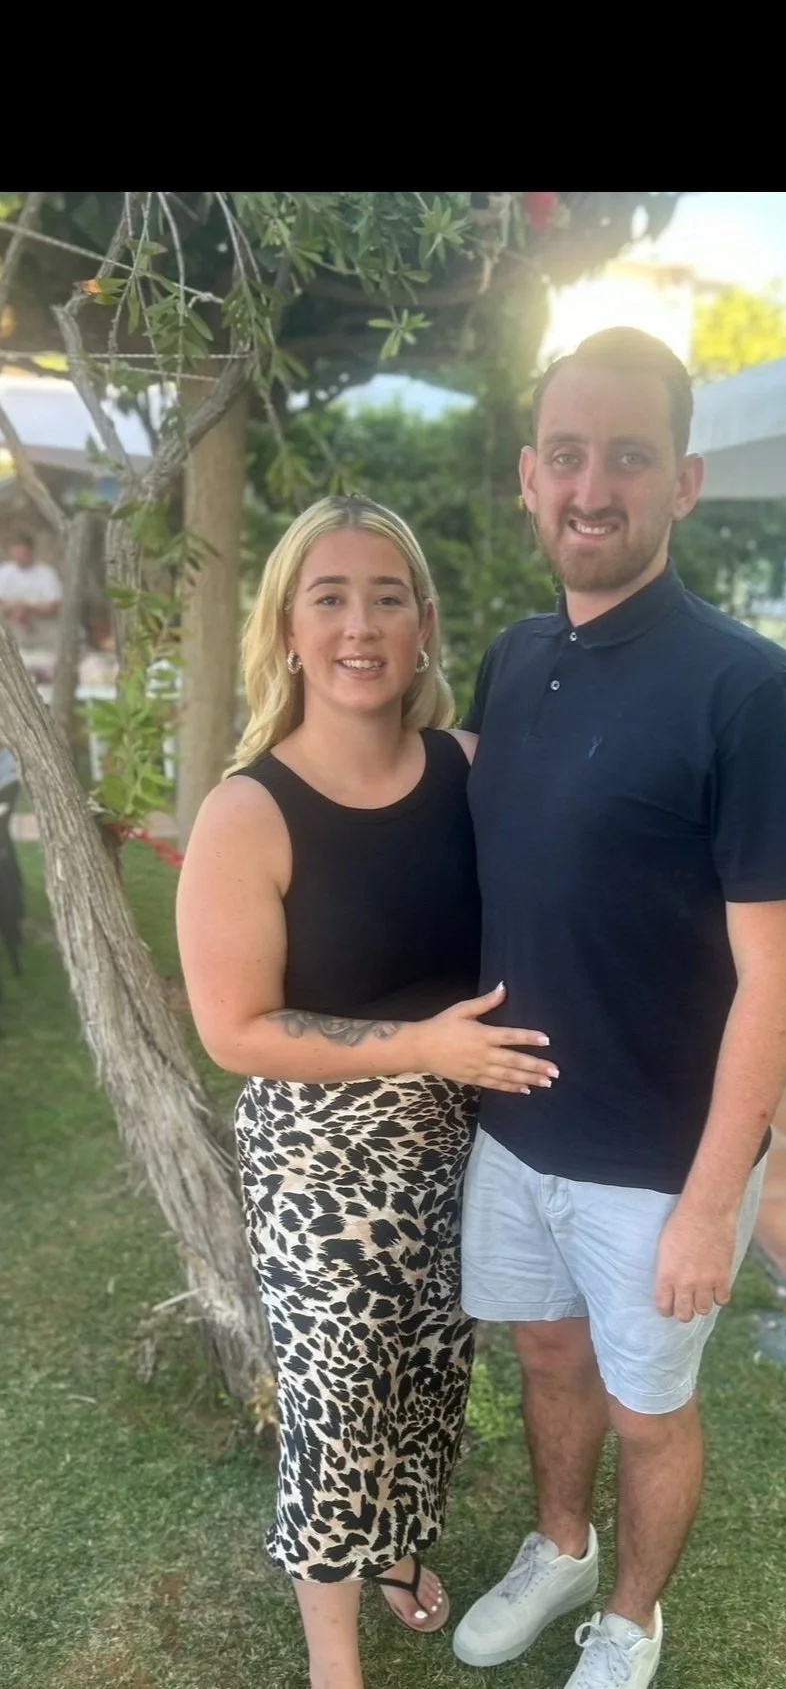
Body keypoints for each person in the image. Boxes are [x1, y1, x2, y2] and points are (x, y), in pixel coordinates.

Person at [452, 329, 786, 1689]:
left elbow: (778, 972)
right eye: (566, 454)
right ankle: (556, 1546)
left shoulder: (748, 691)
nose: (590, 483)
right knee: (547, 1360)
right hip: (517, 1128)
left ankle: (630, 1610)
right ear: (526, 476)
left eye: (626, 454)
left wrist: (712, 1196)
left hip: (656, 1162)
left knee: (646, 1407)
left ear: (684, 479)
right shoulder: (511, 656)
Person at [176, 493, 558, 1689]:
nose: (359, 623)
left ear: (424, 623)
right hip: (320, 1160)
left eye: (385, 596)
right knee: (340, 1397)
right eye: (329, 596)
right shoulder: (249, 810)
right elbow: (234, 1029)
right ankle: (331, 1661)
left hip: (462, 1134)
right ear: (287, 626)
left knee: (434, 1372)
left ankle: (396, 1549)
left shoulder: (471, 768)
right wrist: (418, 1047)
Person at [0, 531, 63, 680]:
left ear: (31, 551)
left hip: (40, 631)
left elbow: (55, 605)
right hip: (12, 627)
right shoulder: (4, 572)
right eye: (16, 553)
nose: (19, 557)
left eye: (22, 553)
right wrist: (12, 609)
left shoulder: (46, 573)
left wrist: (29, 610)